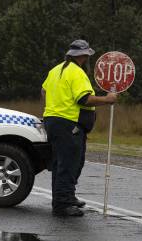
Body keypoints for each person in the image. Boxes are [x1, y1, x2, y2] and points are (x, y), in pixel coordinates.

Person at [41, 39, 118, 216]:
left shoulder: (56, 70)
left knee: (61, 162)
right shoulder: (76, 73)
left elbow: (43, 90)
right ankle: (63, 204)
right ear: (84, 56)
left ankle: (65, 196)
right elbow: (84, 99)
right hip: (68, 123)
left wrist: (52, 107)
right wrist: (107, 100)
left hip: (53, 121)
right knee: (69, 163)